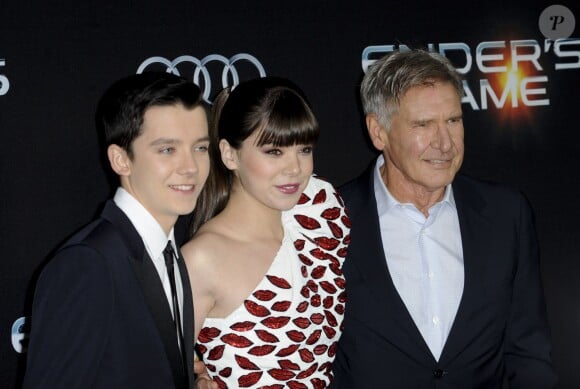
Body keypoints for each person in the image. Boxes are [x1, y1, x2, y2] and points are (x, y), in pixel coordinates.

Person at [332, 49, 557, 388]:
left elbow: (529, 352)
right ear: (378, 132)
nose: (445, 143)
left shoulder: (505, 214)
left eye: (453, 120)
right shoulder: (328, 221)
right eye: (423, 124)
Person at [24, 72, 212, 389]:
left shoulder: (170, 255)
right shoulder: (88, 264)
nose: (190, 167)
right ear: (121, 160)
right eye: (168, 150)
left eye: (200, 148)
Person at [182, 77, 350, 389]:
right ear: (230, 155)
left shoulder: (319, 212)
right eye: (274, 151)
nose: (295, 168)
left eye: (304, 149)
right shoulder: (202, 260)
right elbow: (149, 370)